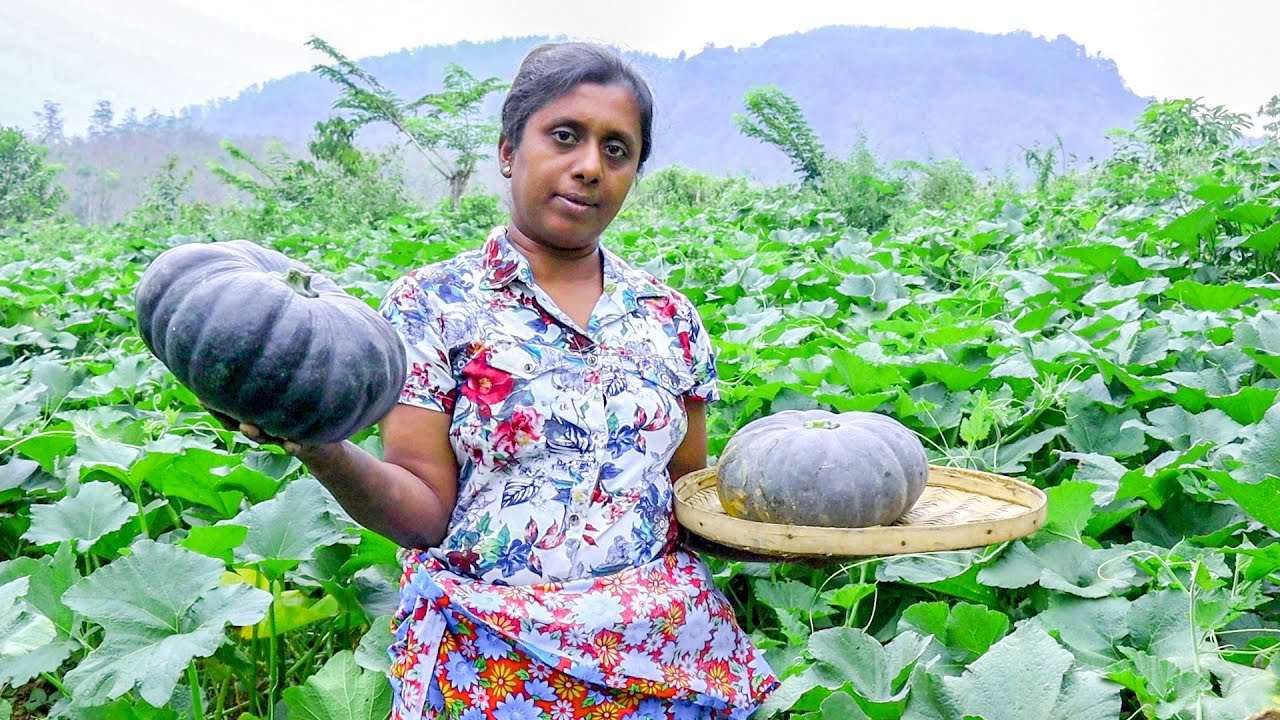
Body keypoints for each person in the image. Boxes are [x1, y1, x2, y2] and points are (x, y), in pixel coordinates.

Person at [234, 42, 777, 719]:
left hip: (668, 664)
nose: (588, 167)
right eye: (565, 137)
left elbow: (685, 500)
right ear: (508, 150)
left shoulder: (671, 317)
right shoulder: (431, 304)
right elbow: (424, 512)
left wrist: (801, 525)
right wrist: (319, 446)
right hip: (492, 670)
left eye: (617, 150)